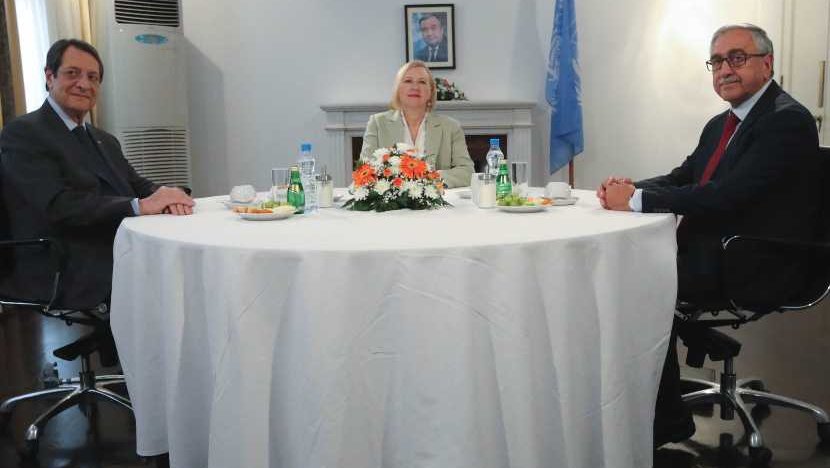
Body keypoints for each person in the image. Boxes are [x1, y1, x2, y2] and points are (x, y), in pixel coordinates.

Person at [597, 24, 821, 447]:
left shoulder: (786, 121)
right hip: (720, 249)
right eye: (717, 61)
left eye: (737, 58)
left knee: (638, 280)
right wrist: (629, 188)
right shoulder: (723, 123)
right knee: (633, 268)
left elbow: (726, 196)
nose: (724, 69)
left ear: (767, 64)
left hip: (759, 260)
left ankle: (666, 422)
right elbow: (685, 176)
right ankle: (652, 402)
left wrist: (638, 200)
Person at [0, 38, 195, 311]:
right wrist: (139, 206)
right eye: (72, 73)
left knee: (186, 263)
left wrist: (169, 194)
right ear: (50, 77)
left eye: (93, 77)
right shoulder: (23, 133)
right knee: (169, 275)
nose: (84, 84)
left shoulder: (104, 139)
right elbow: (58, 206)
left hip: (111, 243)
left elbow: (136, 184)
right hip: (61, 259)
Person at [360, 60, 474, 188]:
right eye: (408, 81)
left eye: (422, 82)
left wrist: (430, 178)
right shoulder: (377, 123)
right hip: (392, 199)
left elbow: (467, 172)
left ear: (430, 91)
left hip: (438, 198)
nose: (415, 87)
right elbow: (364, 171)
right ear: (398, 89)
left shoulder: (451, 127)